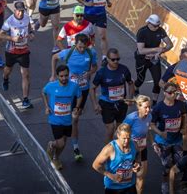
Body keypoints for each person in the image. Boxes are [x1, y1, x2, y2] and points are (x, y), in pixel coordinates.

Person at [50, 33, 97, 161]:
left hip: (82, 90)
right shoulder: (68, 52)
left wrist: (89, 72)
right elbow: (54, 57)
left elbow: (95, 67)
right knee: (67, 119)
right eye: (79, 47)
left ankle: (75, 147)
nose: (82, 49)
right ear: (75, 44)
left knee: (75, 119)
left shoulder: (91, 53)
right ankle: (60, 144)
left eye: (84, 47)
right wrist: (53, 75)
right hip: (68, 91)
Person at [90, 48, 135, 144]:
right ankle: (107, 153)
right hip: (107, 104)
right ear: (107, 59)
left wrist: (130, 98)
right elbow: (92, 88)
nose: (116, 61)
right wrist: (95, 104)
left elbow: (131, 83)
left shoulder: (124, 69)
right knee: (110, 129)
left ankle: (117, 150)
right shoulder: (102, 72)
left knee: (119, 129)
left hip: (121, 103)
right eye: (113, 59)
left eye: (118, 59)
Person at [43, 65, 82, 170]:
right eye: (61, 76)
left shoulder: (74, 86)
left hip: (67, 120)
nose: (64, 78)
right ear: (57, 76)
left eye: (66, 75)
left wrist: (77, 107)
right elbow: (44, 92)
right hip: (55, 119)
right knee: (60, 143)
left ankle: (56, 157)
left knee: (63, 143)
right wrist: (47, 106)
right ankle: (51, 144)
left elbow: (79, 95)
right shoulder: (51, 86)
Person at [151, 82, 187, 194]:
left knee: (178, 163)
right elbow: (151, 124)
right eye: (170, 92)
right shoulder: (158, 108)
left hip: (177, 140)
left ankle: (175, 183)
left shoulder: (180, 104)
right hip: (163, 142)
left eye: (175, 93)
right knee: (166, 165)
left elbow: (184, 115)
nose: (173, 95)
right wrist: (160, 133)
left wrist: (184, 127)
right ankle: (165, 183)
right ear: (164, 93)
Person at [0, 1, 35, 109]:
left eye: (22, 11)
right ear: (14, 10)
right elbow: (0, 34)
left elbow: (31, 27)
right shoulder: (9, 21)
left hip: (24, 51)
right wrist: (12, 38)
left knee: (26, 74)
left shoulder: (27, 17)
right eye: (18, 11)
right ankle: (5, 79)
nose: (20, 13)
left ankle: (25, 99)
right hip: (11, 51)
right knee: (8, 70)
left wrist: (32, 34)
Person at [159, 47, 187, 156]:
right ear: (180, 58)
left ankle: (183, 153)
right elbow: (161, 83)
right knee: (173, 128)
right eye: (185, 59)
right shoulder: (172, 69)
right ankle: (167, 151)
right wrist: (172, 91)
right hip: (175, 103)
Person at [134, 14, 174, 106]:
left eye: (158, 25)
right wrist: (156, 49)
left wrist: (160, 51)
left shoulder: (160, 30)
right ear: (148, 23)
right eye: (155, 26)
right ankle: (135, 88)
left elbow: (170, 44)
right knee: (140, 79)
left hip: (154, 60)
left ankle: (155, 103)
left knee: (157, 82)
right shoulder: (142, 32)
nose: (157, 27)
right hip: (142, 59)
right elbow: (141, 50)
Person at [76, 0, 112, 66]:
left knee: (103, 36)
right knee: (86, 37)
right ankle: (86, 55)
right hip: (90, 14)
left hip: (101, 14)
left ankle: (104, 57)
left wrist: (108, 1)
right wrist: (86, 3)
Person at [92, 123, 141, 194]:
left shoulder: (134, 144)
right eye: (124, 138)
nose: (126, 141)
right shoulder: (110, 148)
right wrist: (110, 175)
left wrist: (138, 162)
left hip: (130, 185)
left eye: (128, 137)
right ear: (118, 135)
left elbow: (138, 153)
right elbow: (95, 165)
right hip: (113, 187)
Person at [123, 95, 152, 194]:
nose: (148, 110)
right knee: (126, 179)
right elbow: (120, 133)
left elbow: (147, 131)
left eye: (149, 107)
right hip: (130, 150)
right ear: (138, 107)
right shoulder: (131, 118)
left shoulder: (149, 116)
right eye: (145, 107)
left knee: (141, 177)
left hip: (142, 149)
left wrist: (153, 143)